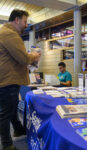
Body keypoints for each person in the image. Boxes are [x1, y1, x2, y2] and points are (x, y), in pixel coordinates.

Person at [0, 9, 41, 150]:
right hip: (8, 80)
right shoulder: (10, 34)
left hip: (8, 80)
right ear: (16, 20)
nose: (26, 24)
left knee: (11, 109)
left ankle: (17, 129)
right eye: (24, 21)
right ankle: (7, 145)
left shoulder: (6, 33)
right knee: (5, 113)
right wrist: (34, 55)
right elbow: (23, 58)